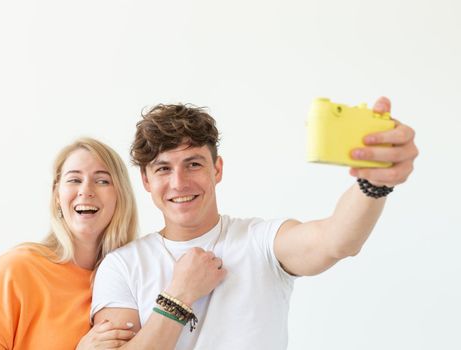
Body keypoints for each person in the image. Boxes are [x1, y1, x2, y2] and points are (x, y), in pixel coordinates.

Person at [90, 97, 419, 349]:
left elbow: (336, 240)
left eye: (193, 164)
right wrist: (180, 294)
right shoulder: (122, 266)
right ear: (146, 180)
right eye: (163, 169)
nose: (179, 183)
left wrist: (373, 184)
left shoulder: (261, 241)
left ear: (217, 170)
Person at [0, 137, 221, 349]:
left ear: (120, 196)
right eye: (74, 179)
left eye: (102, 180)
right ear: (57, 195)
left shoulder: (128, 274)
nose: (86, 190)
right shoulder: (17, 269)